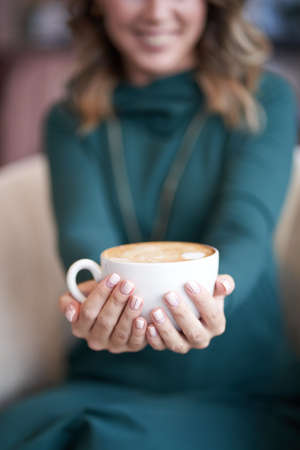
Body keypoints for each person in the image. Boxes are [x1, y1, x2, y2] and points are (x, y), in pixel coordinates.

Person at [1, 0, 300, 449]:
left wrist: (210, 302)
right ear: (96, 6)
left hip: (238, 389)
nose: (157, 13)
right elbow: (84, 238)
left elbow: (246, 227)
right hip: (105, 382)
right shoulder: (70, 120)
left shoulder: (265, 99)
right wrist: (98, 300)